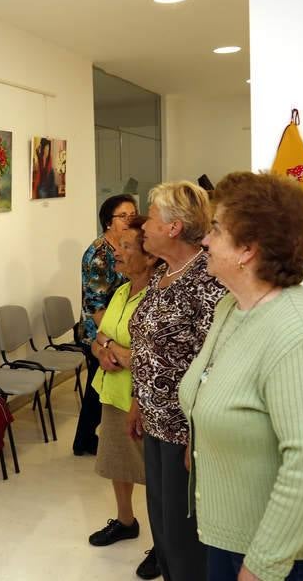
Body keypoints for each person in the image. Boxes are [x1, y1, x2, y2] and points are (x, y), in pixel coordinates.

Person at [179, 171, 303, 581]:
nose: (205, 240)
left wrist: (262, 566)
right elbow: (212, 388)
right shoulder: (232, 308)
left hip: (282, 552)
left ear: (248, 250)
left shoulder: (299, 339)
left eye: (216, 230)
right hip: (235, 531)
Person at [128, 181, 226, 581]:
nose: (143, 225)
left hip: (184, 429)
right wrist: (138, 401)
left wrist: (197, 433)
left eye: (151, 215)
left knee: (184, 533)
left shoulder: (206, 279)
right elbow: (148, 349)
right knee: (162, 524)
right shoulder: (163, 274)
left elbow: (215, 363)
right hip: (154, 422)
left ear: (173, 227)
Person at [87, 216, 161, 579]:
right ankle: (125, 520)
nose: (116, 251)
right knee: (118, 463)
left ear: (150, 257)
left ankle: (164, 544)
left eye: (127, 246)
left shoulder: (157, 297)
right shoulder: (121, 291)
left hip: (143, 400)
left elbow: (147, 357)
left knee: (156, 476)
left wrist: (111, 347)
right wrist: (105, 348)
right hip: (113, 393)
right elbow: (96, 337)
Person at [72, 194, 137, 456]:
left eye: (133, 215)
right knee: (96, 388)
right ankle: (84, 440)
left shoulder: (127, 246)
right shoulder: (99, 254)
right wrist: (107, 341)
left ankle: (85, 439)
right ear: (108, 222)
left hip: (116, 329)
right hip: (96, 331)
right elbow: (95, 305)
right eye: (123, 216)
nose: (130, 220)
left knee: (96, 388)